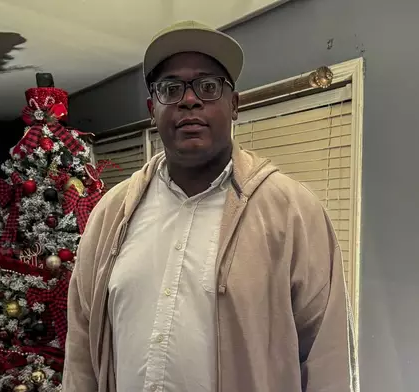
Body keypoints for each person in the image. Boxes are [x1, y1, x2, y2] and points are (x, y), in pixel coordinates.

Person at [62, 20, 358, 392]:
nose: (189, 99)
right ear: (153, 109)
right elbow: (82, 351)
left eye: (208, 86)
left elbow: (327, 355)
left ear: (234, 104)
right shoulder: (111, 214)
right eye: (172, 88)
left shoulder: (294, 211)